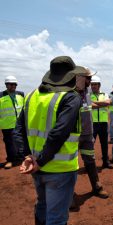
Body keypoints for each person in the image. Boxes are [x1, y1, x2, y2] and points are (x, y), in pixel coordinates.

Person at [14, 56, 83, 225]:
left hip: (36, 167)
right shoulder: (70, 97)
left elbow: (18, 130)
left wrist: (28, 157)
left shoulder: (31, 96)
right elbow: (58, 134)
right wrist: (41, 161)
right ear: (71, 77)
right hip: (60, 169)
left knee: (42, 206)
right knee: (57, 218)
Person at [75, 69, 109, 198]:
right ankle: (70, 194)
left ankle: (97, 186)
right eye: (88, 79)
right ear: (79, 79)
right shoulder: (70, 94)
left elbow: (89, 106)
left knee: (90, 160)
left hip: (87, 133)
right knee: (71, 164)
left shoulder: (87, 93)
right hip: (74, 135)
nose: (90, 82)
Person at [0, 76, 24, 169]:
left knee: (20, 142)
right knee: (9, 143)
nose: (13, 86)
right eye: (11, 84)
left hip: (19, 124)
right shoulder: (1, 96)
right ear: (6, 85)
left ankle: (21, 158)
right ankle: (10, 160)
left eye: (15, 84)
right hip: (7, 124)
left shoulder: (21, 94)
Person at [90, 75, 113, 169]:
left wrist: (94, 103)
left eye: (95, 84)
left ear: (99, 85)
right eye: (92, 84)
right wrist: (102, 104)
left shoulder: (105, 94)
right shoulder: (88, 95)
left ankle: (106, 162)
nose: (93, 86)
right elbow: (89, 106)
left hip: (103, 123)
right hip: (92, 123)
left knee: (104, 144)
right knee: (90, 144)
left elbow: (108, 103)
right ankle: (90, 164)